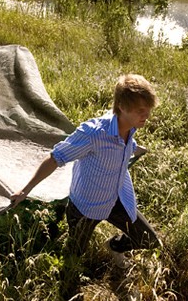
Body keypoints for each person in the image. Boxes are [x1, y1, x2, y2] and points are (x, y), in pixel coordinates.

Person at [10, 73, 161, 271]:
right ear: (122, 107)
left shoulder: (130, 125)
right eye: (141, 110)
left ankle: (114, 246)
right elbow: (55, 157)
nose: (147, 115)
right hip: (85, 207)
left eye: (148, 109)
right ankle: (66, 292)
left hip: (116, 199)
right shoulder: (94, 134)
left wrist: (134, 148)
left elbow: (120, 144)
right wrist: (25, 190)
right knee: (73, 259)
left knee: (149, 240)